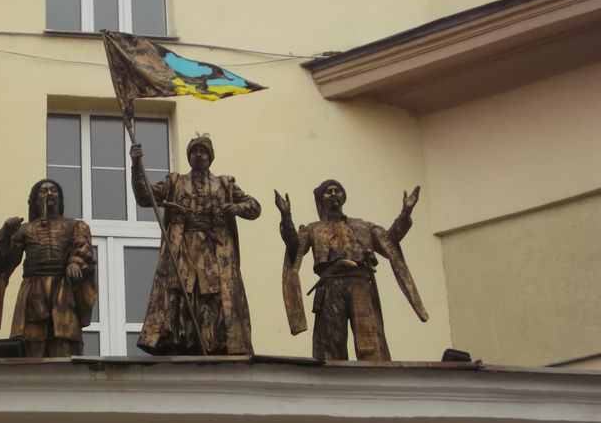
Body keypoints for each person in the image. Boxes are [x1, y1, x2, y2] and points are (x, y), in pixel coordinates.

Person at [131, 134, 261, 355]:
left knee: (216, 294)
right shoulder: (175, 183)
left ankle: (217, 342)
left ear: (210, 157)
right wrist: (136, 166)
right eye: (194, 151)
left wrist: (236, 208)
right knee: (182, 291)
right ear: (189, 156)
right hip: (183, 249)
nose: (198, 154)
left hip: (216, 251)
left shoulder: (224, 184)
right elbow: (146, 198)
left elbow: (254, 207)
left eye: (203, 151)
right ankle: (182, 339)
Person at [275, 180, 426, 361]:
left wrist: (406, 212)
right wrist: (286, 217)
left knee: (371, 343)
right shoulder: (313, 229)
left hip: (360, 285)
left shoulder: (364, 226)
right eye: (328, 191)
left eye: (337, 190)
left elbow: (390, 240)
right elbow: (294, 247)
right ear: (321, 199)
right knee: (330, 346)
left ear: (344, 196)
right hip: (330, 287)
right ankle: (331, 378)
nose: (333, 193)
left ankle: (376, 376)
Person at [0, 179, 96, 357]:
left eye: (53, 190)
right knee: (31, 345)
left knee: (66, 346)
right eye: (43, 191)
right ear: (35, 201)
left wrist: (75, 261)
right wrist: (5, 231)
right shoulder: (24, 229)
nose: (49, 193)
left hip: (63, 291)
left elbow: (83, 247)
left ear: (60, 198)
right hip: (33, 291)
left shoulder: (74, 226)